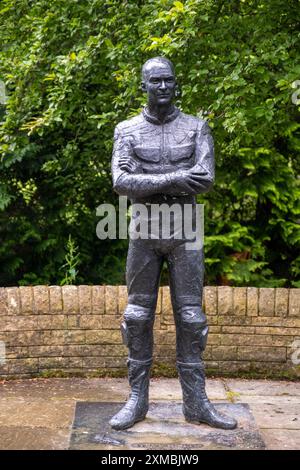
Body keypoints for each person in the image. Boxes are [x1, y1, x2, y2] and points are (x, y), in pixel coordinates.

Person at [109, 57, 237, 431]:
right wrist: (179, 176)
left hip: (186, 233)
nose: (163, 87)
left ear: (175, 84)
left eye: (168, 81)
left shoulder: (197, 128)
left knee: (192, 318)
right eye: (155, 81)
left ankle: (196, 403)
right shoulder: (127, 130)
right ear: (143, 86)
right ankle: (136, 400)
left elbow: (205, 179)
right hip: (144, 233)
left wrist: (151, 179)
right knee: (136, 316)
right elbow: (121, 182)